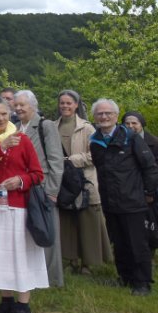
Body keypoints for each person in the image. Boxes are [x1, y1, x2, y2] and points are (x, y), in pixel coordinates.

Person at [0, 97, 47, 313]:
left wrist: (21, 180)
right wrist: (1, 146)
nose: (1, 118)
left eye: (4, 114)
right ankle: (6, 301)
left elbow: (37, 174)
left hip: (17, 206)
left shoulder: (23, 140)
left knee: (19, 255)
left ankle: (23, 306)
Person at [90, 99, 158, 295]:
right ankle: (125, 278)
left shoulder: (131, 137)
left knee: (137, 244)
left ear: (115, 116)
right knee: (119, 243)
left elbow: (150, 167)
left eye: (108, 113)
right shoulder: (95, 141)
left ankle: (142, 283)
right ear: (94, 117)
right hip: (110, 202)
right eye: (100, 114)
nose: (104, 117)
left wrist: (148, 193)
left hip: (133, 201)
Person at [54, 89, 112, 274]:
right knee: (68, 221)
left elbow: (95, 155)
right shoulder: (52, 126)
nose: (65, 106)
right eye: (62, 103)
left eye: (69, 103)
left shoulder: (87, 128)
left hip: (85, 181)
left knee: (88, 221)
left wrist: (72, 160)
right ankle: (71, 260)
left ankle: (89, 262)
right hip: (63, 182)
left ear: (76, 105)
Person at [15, 90, 65, 287]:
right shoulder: (17, 128)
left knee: (48, 232)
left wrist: (53, 191)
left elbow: (56, 160)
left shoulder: (46, 125)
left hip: (43, 187)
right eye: (16, 105)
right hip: (24, 188)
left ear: (33, 106)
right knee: (31, 233)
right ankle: (33, 277)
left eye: (22, 105)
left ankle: (53, 279)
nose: (18, 108)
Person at [123, 111, 158, 252]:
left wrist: (147, 180)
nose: (131, 126)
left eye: (134, 123)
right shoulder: (120, 140)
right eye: (127, 123)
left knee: (151, 220)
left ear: (141, 124)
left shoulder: (154, 142)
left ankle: (151, 251)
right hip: (127, 187)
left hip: (149, 187)